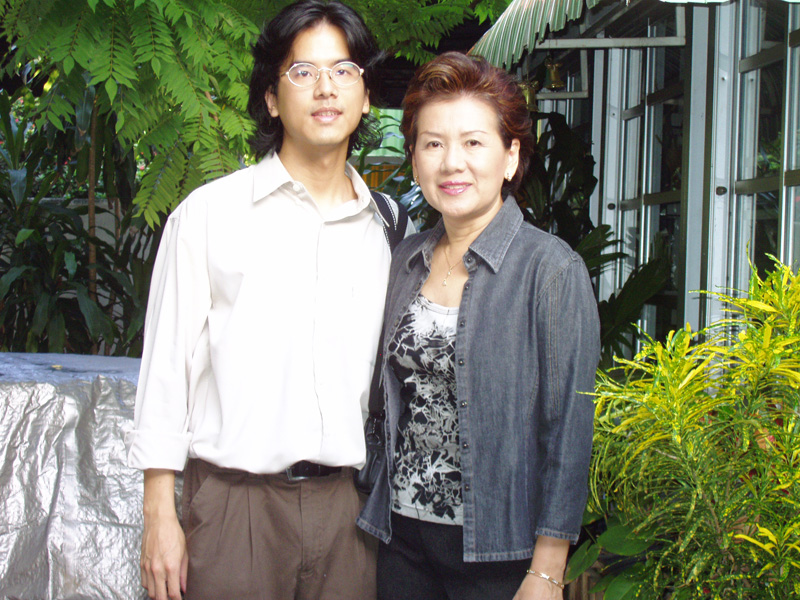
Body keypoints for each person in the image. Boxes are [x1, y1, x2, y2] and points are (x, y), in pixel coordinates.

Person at [125, 2, 412, 599]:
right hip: (235, 512)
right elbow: (166, 372)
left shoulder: (391, 230)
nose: (325, 88)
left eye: (344, 71)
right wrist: (159, 514)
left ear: (365, 98)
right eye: (302, 72)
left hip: (347, 514)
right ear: (272, 99)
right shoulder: (208, 216)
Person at [357, 52, 601, 600]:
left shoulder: (552, 270)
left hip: (501, 554)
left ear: (511, 157)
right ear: (416, 161)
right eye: (433, 143)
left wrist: (547, 570)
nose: (452, 163)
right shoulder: (406, 259)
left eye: (473, 142)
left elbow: (568, 432)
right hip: (401, 540)